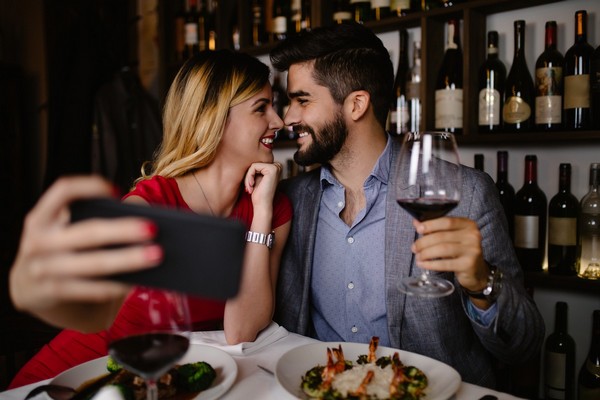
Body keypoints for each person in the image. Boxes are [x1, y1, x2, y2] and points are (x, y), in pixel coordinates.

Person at [270, 22, 544, 390]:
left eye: (302, 100)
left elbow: (524, 345)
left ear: (356, 104)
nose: (288, 117)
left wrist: (482, 283)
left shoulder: (468, 192)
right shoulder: (289, 200)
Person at [8, 49, 292, 387]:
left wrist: (260, 213)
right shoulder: (151, 205)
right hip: (84, 376)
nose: (278, 121)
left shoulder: (271, 208)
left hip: (164, 380)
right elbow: (80, 298)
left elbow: (241, 331)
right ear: (213, 118)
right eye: (261, 108)